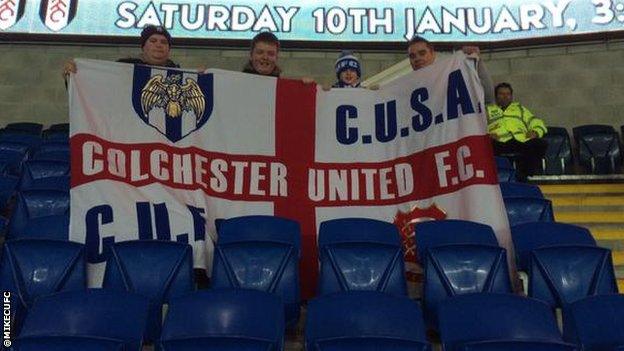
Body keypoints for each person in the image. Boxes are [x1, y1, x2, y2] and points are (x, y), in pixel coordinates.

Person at [62, 25, 179, 80]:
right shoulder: (123, 67)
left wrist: (197, 78)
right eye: (153, 41)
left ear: (169, 49)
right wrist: (78, 72)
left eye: (164, 42)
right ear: (143, 47)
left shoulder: (178, 74)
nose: (159, 45)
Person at [407, 35, 495, 104]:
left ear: (432, 54)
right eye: (412, 56)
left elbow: (487, 96)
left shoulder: (452, 74)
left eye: (422, 53)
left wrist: (477, 61)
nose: (417, 58)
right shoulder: (407, 88)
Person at [487, 82, 548, 180]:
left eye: (508, 94)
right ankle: (495, 178)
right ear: (496, 96)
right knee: (485, 146)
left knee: (541, 143)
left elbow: (536, 121)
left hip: (520, 140)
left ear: (511, 96)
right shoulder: (487, 110)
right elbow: (478, 126)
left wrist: (535, 132)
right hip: (498, 142)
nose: (505, 97)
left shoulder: (520, 109)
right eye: (501, 94)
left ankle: (524, 175)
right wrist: (487, 135)